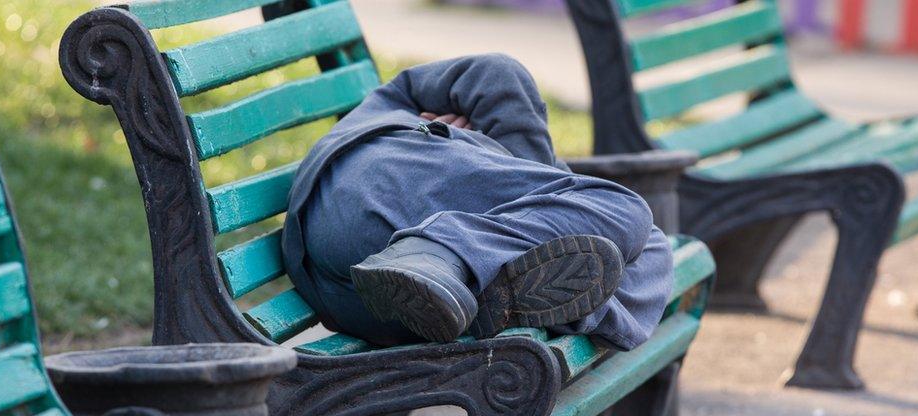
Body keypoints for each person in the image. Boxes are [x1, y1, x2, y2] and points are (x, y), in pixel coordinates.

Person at [282, 54, 673, 348]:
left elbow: (494, 74)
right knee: (633, 221)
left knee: (634, 243)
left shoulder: (392, 106)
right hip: (391, 196)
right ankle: (452, 258)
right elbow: (500, 74)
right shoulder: (411, 116)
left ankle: (483, 282)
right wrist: (535, 180)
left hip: (346, 290)